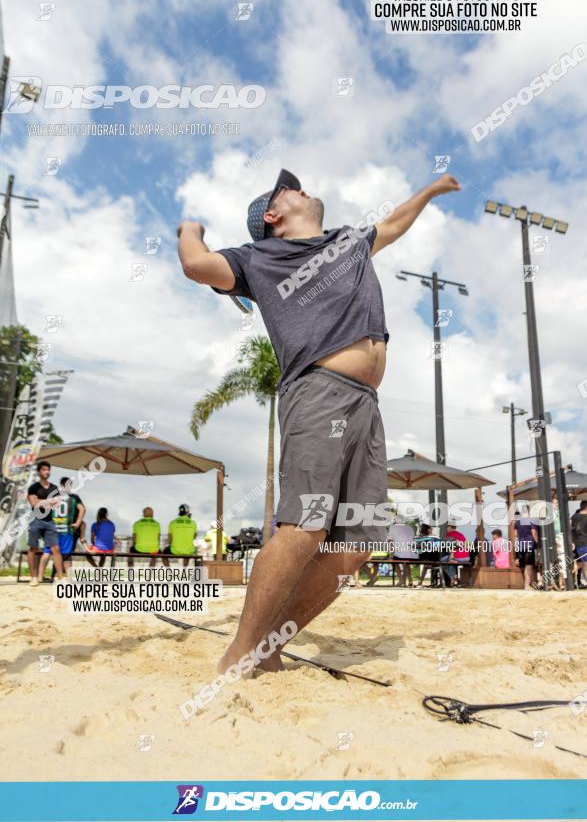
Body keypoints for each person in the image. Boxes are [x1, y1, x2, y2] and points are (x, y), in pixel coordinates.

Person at [178, 166, 460, 674]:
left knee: (360, 541)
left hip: (366, 403)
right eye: (291, 188)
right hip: (317, 393)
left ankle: (270, 648)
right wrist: (190, 227)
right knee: (304, 527)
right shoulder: (259, 257)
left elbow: (393, 224)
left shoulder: (349, 242)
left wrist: (431, 191)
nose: (303, 187)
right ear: (273, 214)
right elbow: (196, 265)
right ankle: (239, 655)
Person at [38, 476, 86, 579]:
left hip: (53, 529)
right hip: (66, 529)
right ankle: (68, 578)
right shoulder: (73, 497)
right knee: (66, 554)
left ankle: (39, 576)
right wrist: (77, 522)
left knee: (47, 552)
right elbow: (82, 509)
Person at [26, 461, 64, 584]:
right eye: (44, 470)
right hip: (35, 520)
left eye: (48, 469)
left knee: (56, 549)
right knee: (33, 548)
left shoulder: (54, 488)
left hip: (49, 521)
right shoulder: (33, 487)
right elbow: (34, 503)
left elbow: (57, 504)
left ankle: (60, 578)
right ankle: (34, 578)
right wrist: (49, 501)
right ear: (39, 472)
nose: (46, 472)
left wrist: (41, 501)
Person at [514, 506, 540, 589]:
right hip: (530, 545)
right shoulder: (532, 520)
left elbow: (515, 535)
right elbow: (534, 532)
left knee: (525, 566)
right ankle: (527, 585)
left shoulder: (517, 522)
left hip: (521, 545)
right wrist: (538, 543)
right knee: (529, 566)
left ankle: (530, 584)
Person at [388, 518, 418, 587]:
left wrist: (391, 555)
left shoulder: (393, 529)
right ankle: (410, 580)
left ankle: (401, 579)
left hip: (401, 554)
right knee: (407, 563)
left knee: (393, 561)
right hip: (410, 554)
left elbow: (390, 542)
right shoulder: (409, 528)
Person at [571, 500, 587, 589]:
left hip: (576, 544)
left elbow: (571, 530)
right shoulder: (585, 517)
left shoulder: (573, 517)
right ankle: (565, 576)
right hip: (584, 543)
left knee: (583, 564)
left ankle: (566, 575)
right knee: (585, 564)